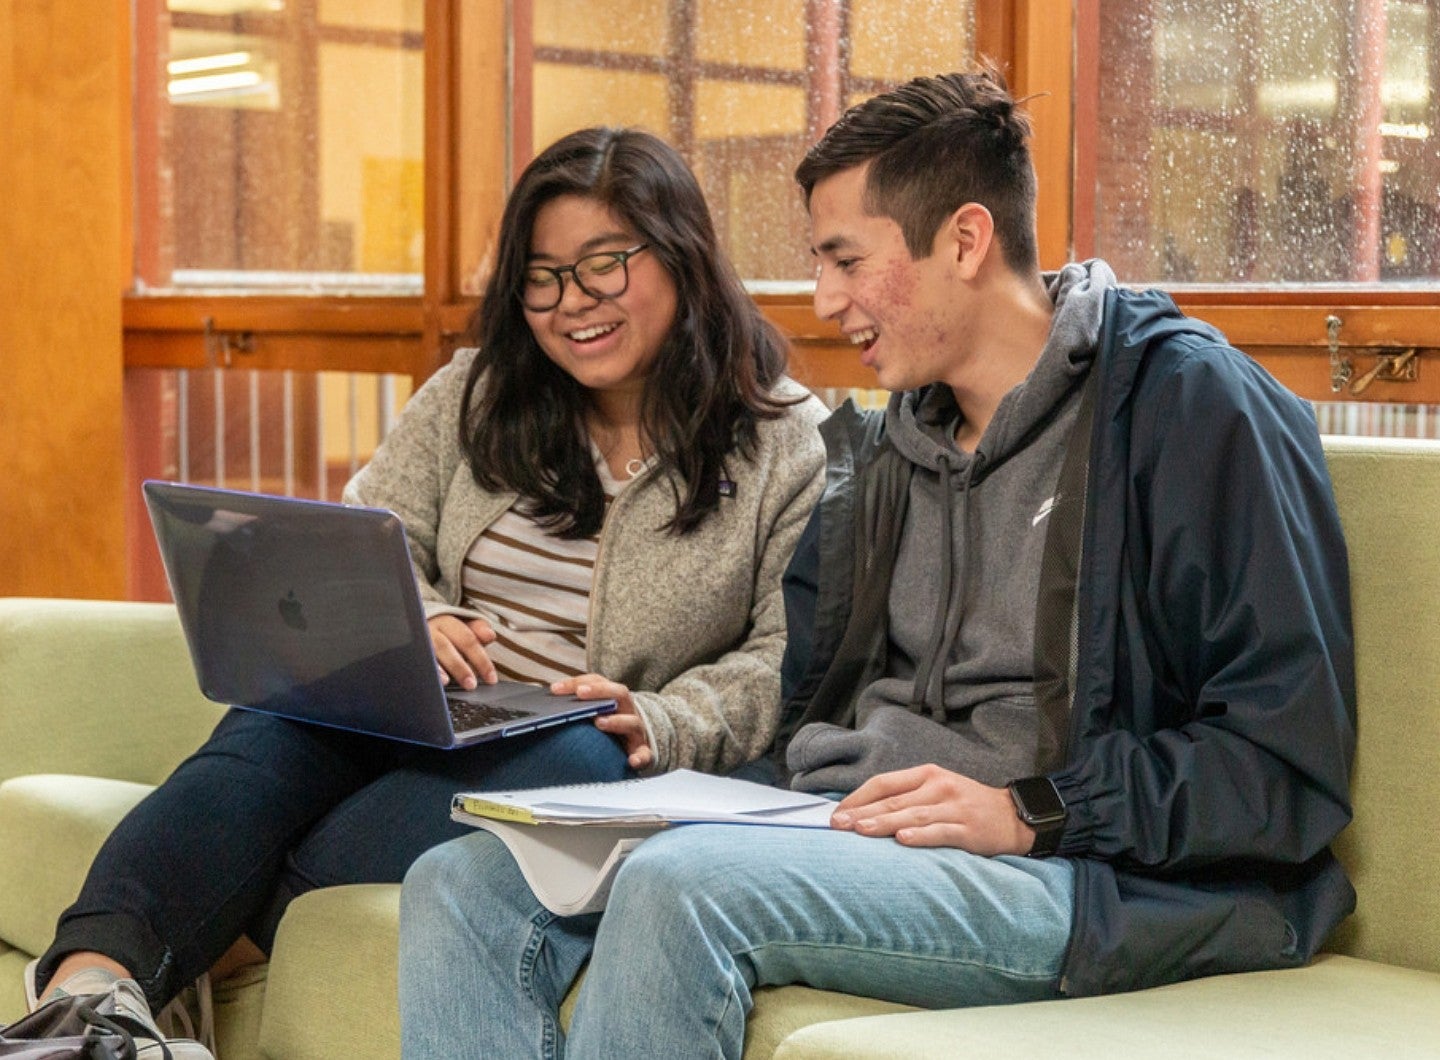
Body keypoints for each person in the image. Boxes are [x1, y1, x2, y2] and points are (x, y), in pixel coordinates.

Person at [397, 68, 1357, 1059]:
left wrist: (1034, 807)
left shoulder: (1190, 406)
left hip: (1083, 869)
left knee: (680, 891)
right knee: (461, 884)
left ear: (966, 239)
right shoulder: (885, 449)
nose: (823, 301)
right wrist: (670, 753)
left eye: (846, 260)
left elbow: (1285, 764)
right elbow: (801, 690)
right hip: (843, 821)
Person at [27, 126, 827, 1057]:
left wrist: (659, 718)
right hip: (421, 702)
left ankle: (198, 955)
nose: (573, 303)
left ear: (683, 256)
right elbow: (371, 537)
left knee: (580, 761)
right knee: (279, 712)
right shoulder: (478, 394)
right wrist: (423, 617)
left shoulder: (785, 442)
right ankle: (83, 1003)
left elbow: (783, 660)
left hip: (584, 743)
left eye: (605, 265)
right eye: (542, 276)